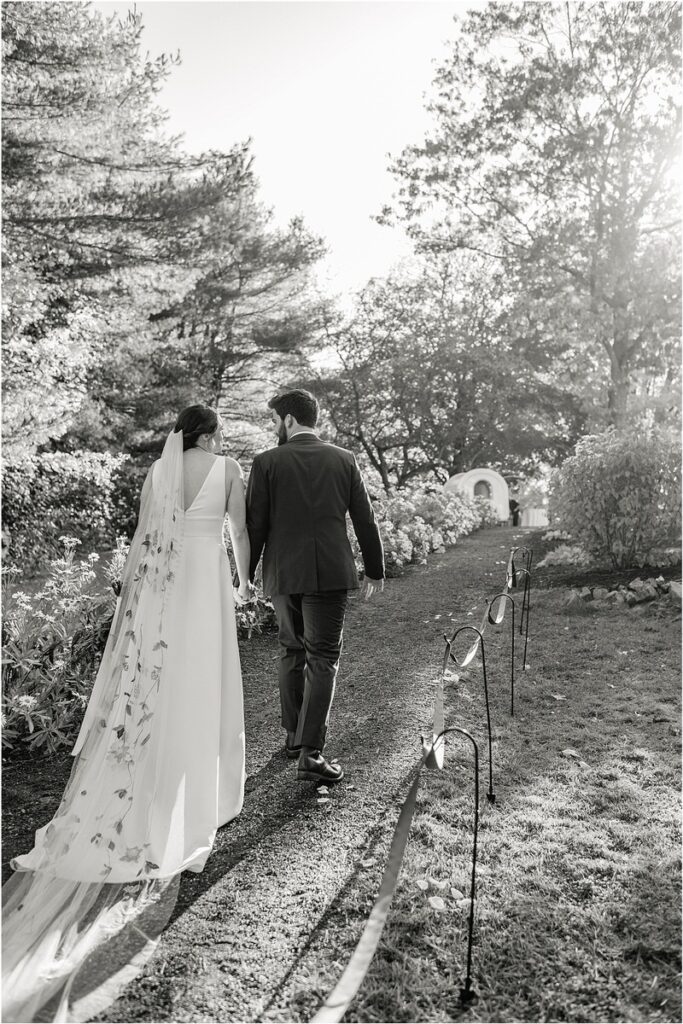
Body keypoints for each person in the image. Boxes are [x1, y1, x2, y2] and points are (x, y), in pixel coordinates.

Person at [2, 405, 252, 1022]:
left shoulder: (158, 474)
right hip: (208, 588)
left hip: (165, 596)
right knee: (206, 683)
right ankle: (201, 801)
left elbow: (143, 541)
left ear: (178, 435)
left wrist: (137, 605)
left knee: (162, 690)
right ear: (212, 435)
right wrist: (245, 581)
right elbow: (239, 533)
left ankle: (156, 783)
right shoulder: (228, 468)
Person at [246, 389, 385, 785]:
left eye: (276, 419)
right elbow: (365, 519)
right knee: (322, 657)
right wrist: (374, 569)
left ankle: (294, 738)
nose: (275, 427)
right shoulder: (343, 459)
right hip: (328, 572)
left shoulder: (266, 462)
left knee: (292, 650)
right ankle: (311, 752)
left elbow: (255, 526)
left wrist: (243, 576)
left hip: (282, 574)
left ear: (289, 420)